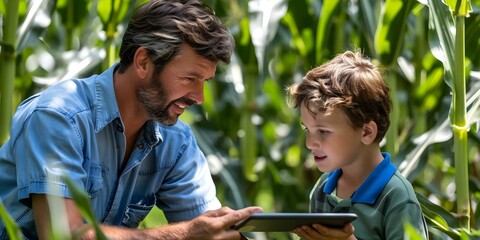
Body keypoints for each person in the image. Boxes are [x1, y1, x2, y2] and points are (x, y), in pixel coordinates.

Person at [0, 0, 266, 239]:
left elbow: (211, 231)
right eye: (189, 79)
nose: (199, 97)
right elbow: (62, 235)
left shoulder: (177, 142)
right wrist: (184, 234)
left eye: (205, 81)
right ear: (143, 62)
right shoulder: (58, 116)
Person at [287, 51, 429, 240]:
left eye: (323, 131)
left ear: (367, 132)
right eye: (307, 129)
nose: (310, 143)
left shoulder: (397, 199)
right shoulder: (322, 190)